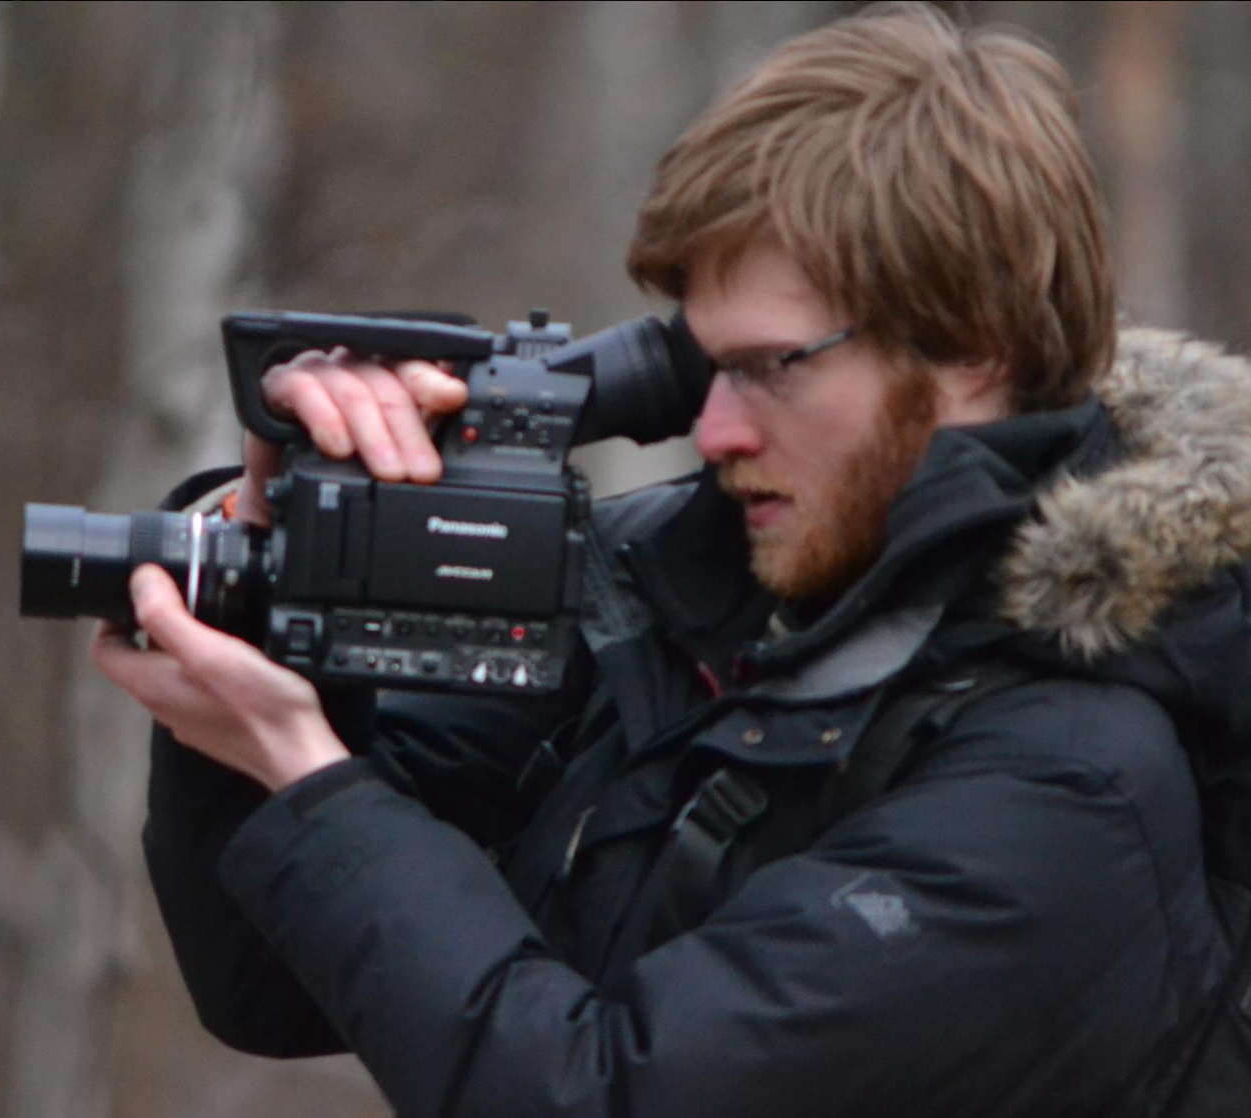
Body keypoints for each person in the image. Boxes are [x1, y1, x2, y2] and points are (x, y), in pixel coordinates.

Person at [95, 5, 1249, 1115]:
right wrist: (277, 550)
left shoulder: (1076, 784)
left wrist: (306, 771)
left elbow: (603, 1089)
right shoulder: (692, 591)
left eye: (772, 367)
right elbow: (270, 974)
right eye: (701, 367)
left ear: (974, 348)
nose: (714, 430)